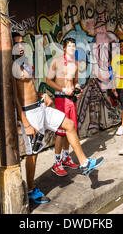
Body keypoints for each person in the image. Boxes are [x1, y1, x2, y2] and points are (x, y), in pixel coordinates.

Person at [12, 33, 104, 204]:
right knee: (33, 154)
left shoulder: (25, 63)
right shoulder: (13, 67)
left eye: (22, 43)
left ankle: (84, 163)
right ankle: (31, 189)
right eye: (17, 44)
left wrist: (42, 95)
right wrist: (25, 123)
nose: (21, 47)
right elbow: (15, 98)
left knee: (69, 125)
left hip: (41, 106)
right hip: (30, 114)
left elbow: (29, 89)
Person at [46, 37, 82, 177]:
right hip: (61, 99)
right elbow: (48, 81)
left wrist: (79, 89)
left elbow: (76, 82)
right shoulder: (56, 61)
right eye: (69, 46)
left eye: (74, 45)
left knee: (70, 128)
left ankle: (66, 158)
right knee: (61, 132)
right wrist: (62, 89)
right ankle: (56, 163)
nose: (72, 48)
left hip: (72, 100)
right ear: (64, 47)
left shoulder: (76, 64)